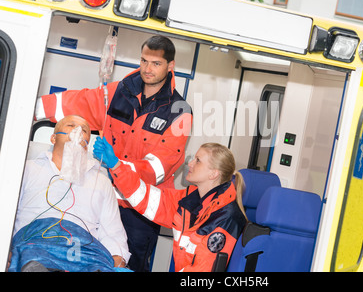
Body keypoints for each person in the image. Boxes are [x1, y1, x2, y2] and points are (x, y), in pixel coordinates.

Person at [34, 35, 192, 271]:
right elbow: (77, 103)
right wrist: (29, 106)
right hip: (104, 198)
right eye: (144, 61)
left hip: (140, 207)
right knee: (91, 259)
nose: (148, 69)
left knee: (132, 264)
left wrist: (116, 165)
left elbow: (158, 169)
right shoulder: (118, 92)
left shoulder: (181, 113)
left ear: (171, 66)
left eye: (156, 64)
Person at [94, 141, 247, 272]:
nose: (190, 163)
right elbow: (146, 197)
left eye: (198, 160)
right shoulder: (190, 199)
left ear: (213, 174)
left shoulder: (225, 215)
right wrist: (116, 166)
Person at [9, 115, 130, 272]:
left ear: (86, 145)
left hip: (85, 252)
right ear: (53, 138)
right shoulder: (27, 169)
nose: (78, 130)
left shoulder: (101, 182)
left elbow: (113, 232)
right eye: (70, 125)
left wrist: (116, 260)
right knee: (31, 260)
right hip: (35, 244)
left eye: (84, 129)